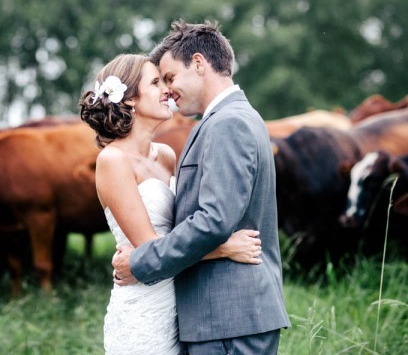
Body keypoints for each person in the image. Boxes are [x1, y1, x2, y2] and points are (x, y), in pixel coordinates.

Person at [112, 20, 291, 355]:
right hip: (222, 317)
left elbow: (214, 220)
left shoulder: (228, 124)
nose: (168, 90)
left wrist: (140, 263)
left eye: (170, 77)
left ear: (198, 63)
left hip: (227, 316)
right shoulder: (229, 118)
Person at [80, 53, 263, 355]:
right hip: (144, 310)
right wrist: (224, 248)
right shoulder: (113, 160)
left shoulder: (166, 155)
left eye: (165, 80)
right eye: (155, 83)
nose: (167, 89)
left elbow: (183, 226)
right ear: (129, 101)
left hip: (184, 305)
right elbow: (150, 247)